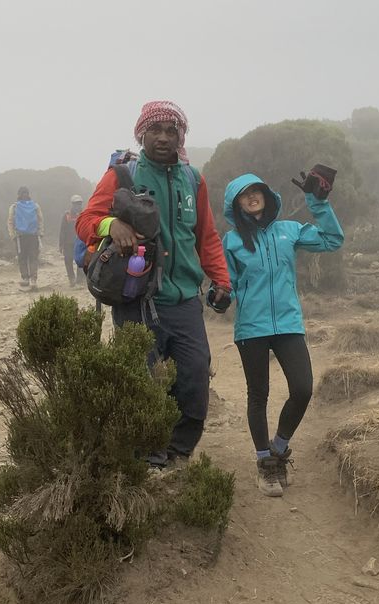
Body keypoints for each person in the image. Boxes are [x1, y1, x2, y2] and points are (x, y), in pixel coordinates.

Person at [76, 100, 231, 467]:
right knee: (142, 381)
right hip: (136, 299)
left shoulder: (194, 179)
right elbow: (86, 220)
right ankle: (148, 458)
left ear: (181, 136)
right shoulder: (122, 176)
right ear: (141, 133)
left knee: (194, 376)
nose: (163, 137)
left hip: (184, 300)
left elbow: (206, 235)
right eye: (155, 130)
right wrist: (111, 225)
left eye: (171, 130)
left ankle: (179, 451)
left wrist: (221, 279)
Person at [222, 169, 344, 497]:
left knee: (303, 388)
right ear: (236, 203)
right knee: (258, 394)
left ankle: (278, 447)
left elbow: (333, 240)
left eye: (256, 190)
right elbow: (226, 283)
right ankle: (265, 463)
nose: (251, 196)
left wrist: (317, 203)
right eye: (244, 194)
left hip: (288, 323)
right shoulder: (232, 241)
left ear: (265, 195)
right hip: (252, 327)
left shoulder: (289, 231)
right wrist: (218, 296)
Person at [8, 186, 44, 290]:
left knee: (22, 258)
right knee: (33, 257)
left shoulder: (14, 207)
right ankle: (33, 280)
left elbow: (10, 222)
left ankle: (26, 279)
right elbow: (40, 219)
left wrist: (12, 235)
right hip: (33, 236)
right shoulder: (35, 206)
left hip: (20, 237)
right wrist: (41, 233)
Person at [59, 194, 85, 287]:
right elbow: (62, 230)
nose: (78, 206)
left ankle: (80, 279)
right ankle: (71, 279)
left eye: (79, 204)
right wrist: (61, 244)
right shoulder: (66, 215)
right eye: (76, 204)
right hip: (68, 243)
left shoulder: (84, 214)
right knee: (68, 260)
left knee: (80, 261)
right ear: (72, 204)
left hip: (80, 242)